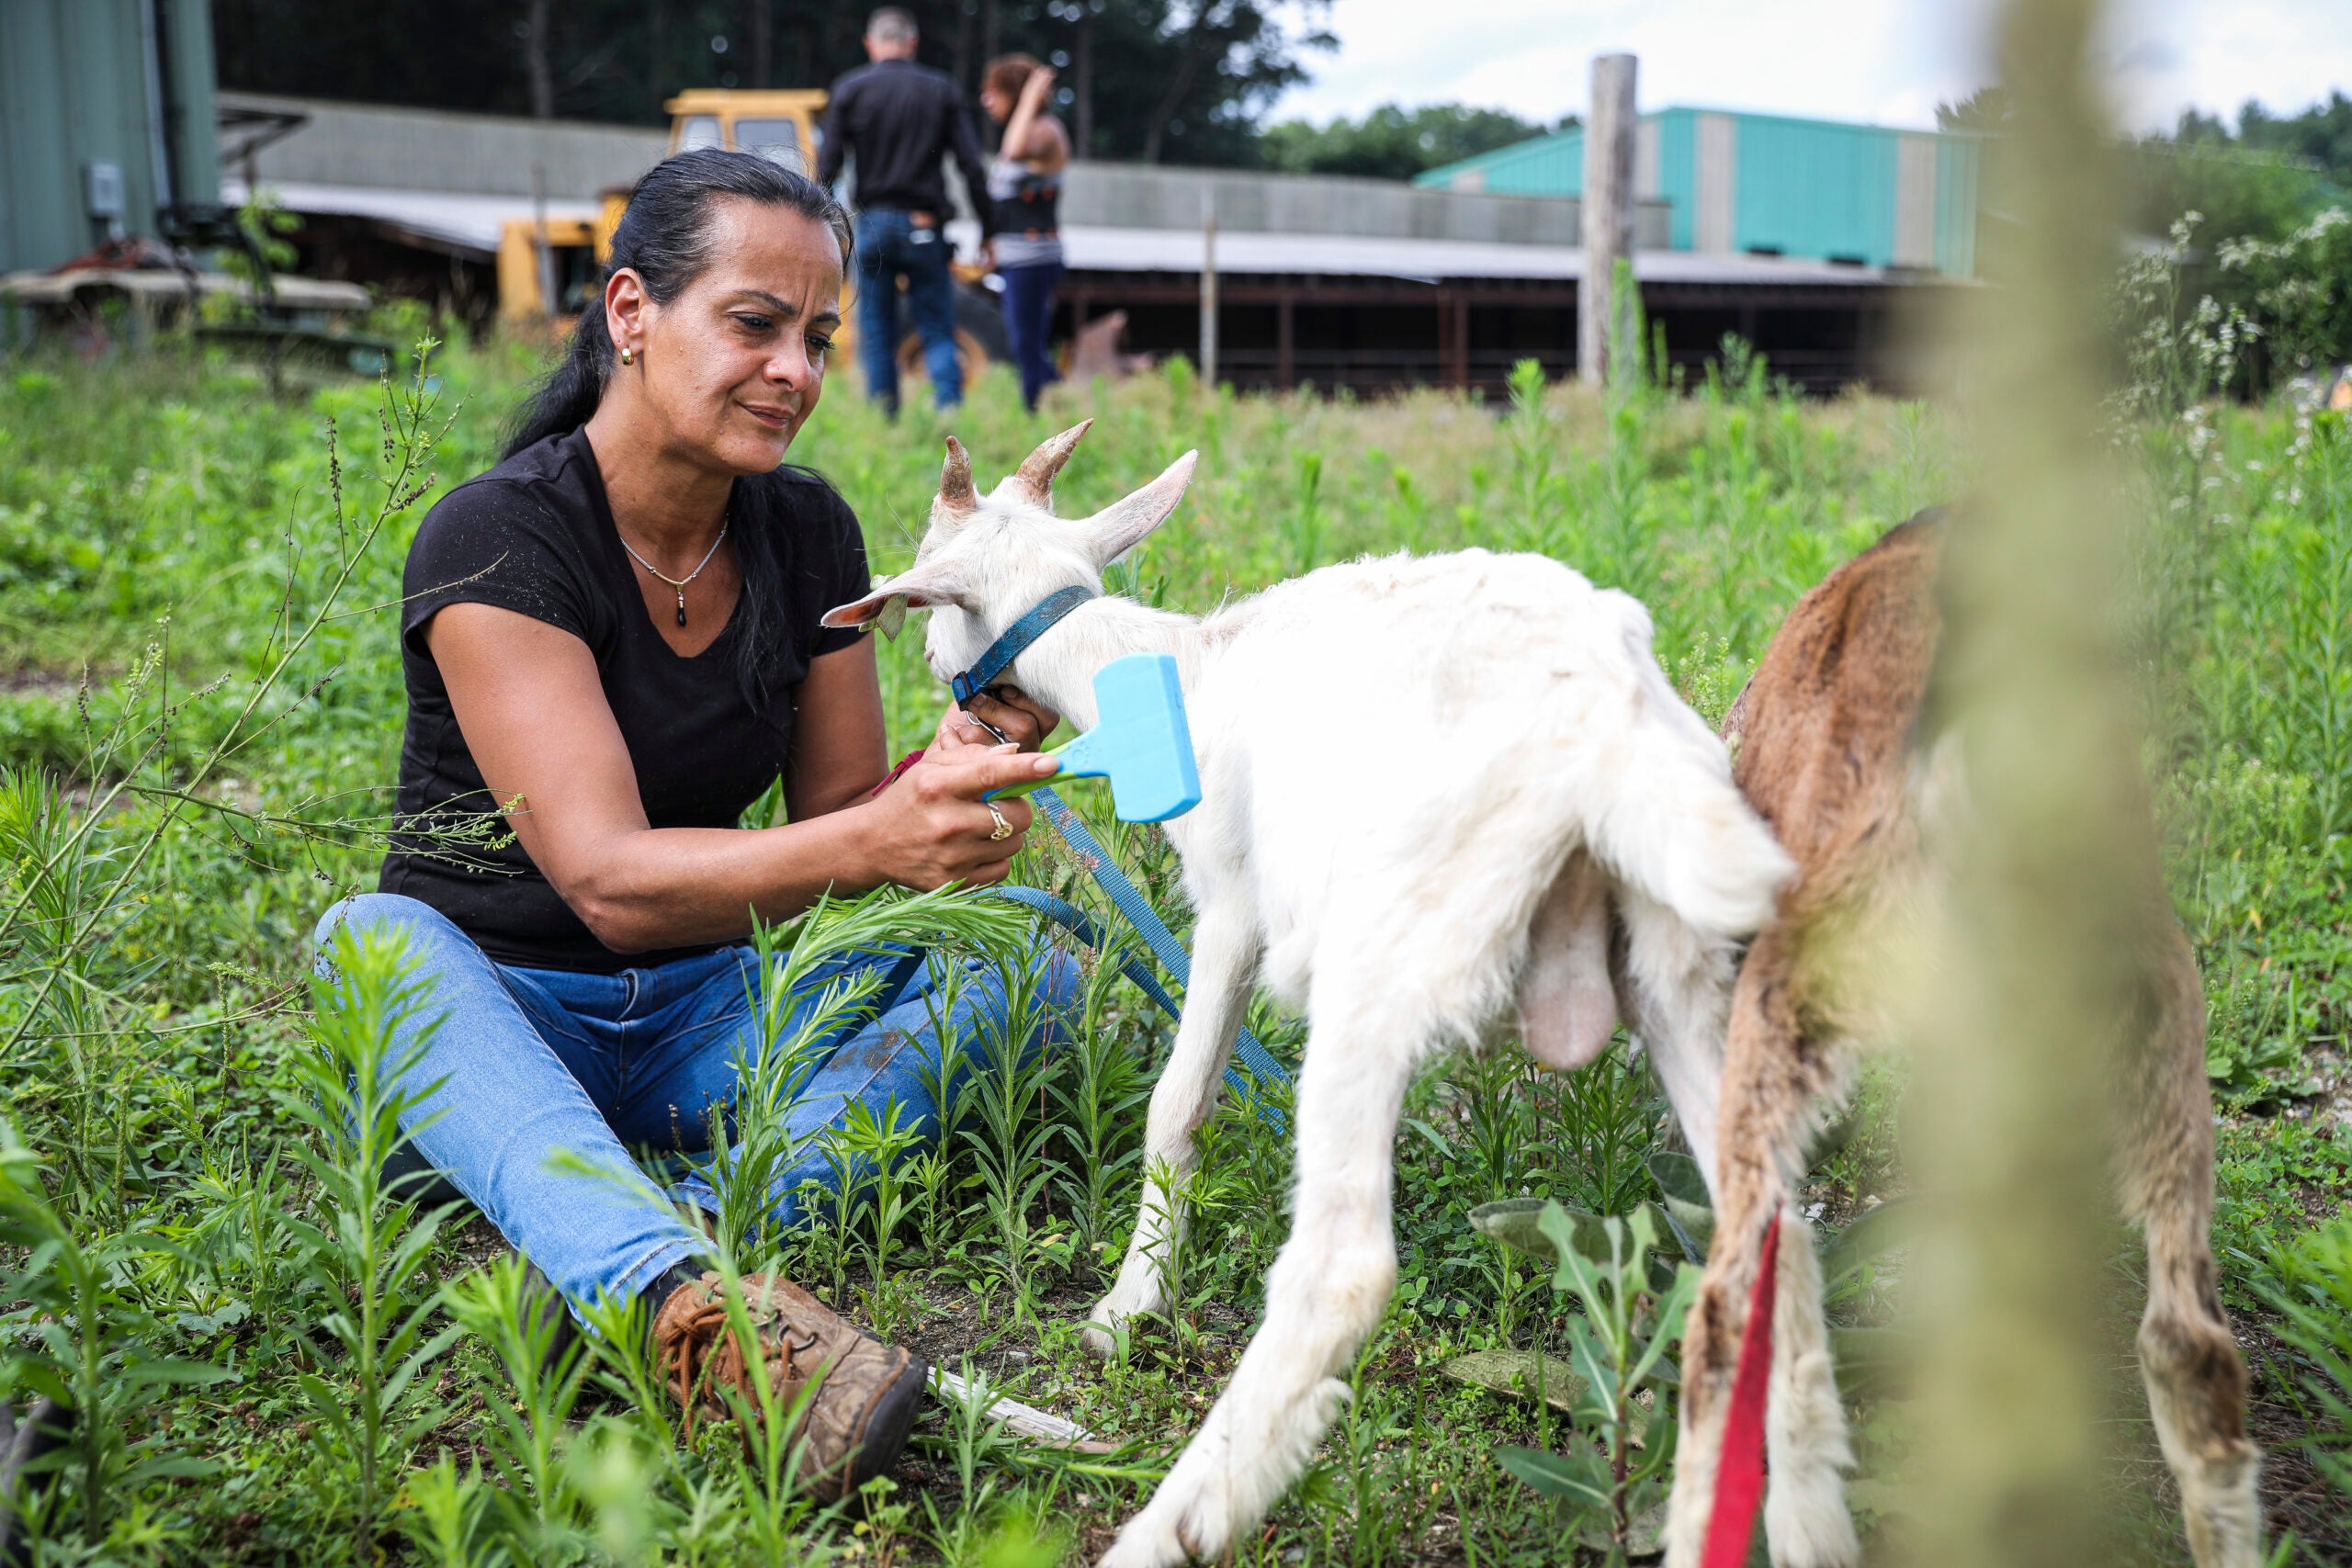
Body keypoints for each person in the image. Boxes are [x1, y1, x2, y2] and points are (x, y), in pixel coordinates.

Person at [312, 148, 1073, 1497]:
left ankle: (615, 1232)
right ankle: (684, 1304)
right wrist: (873, 841)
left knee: (1029, 958)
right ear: (628, 313)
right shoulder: (498, 537)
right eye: (754, 323)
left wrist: (963, 761)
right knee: (370, 943)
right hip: (504, 1006)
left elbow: (842, 817)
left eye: (819, 336)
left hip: (709, 1014)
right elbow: (605, 881)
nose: (796, 367)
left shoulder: (803, 531)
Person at [818, 7, 994, 415]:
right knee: (936, 325)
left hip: (874, 224)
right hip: (925, 225)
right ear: (912, 43)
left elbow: (826, 168)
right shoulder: (942, 89)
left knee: (876, 330)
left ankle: (885, 418)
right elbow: (971, 166)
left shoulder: (851, 89)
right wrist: (989, 228)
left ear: (870, 44)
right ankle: (949, 414)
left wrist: (817, 229)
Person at [978, 56, 1069, 412]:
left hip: (1034, 258)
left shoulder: (1045, 131)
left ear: (1015, 95)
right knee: (1024, 343)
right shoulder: (1026, 130)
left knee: (1025, 344)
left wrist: (1031, 97)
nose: (987, 100)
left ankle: (1042, 412)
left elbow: (1013, 150)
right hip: (1014, 257)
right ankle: (1056, 406)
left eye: (994, 92)